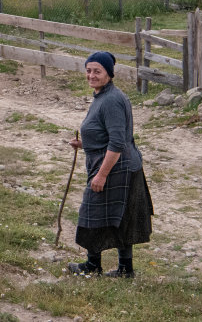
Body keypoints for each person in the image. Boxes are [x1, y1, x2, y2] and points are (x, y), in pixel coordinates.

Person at [67, 51, 153, 278]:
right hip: (117, 164)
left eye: (97, 71)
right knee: (118, 217)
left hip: (118, 168)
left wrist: (102, 175)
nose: (91, 75)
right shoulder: (103, 96)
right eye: (88, 70)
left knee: (94, 213)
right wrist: (85, 143)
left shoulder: (112, 100)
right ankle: (123, 269)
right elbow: (106, 135)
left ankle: (94, 265)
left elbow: (117, 141)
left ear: (109, 74)